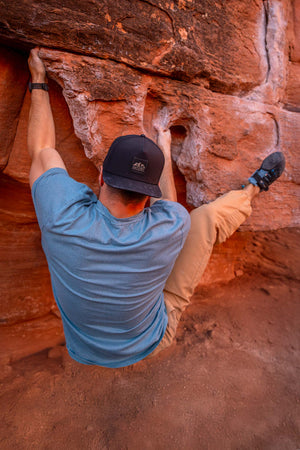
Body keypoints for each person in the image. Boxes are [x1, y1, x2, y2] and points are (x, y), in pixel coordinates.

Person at [27, 48, 285, 368]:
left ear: (101, 176)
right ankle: (253, 189)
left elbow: (41, 149)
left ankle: (252, 188)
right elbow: (170, 203)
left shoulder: (61, 215)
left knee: (47, 158)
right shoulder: (170, 225)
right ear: (149, 197)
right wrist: (163, 142)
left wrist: (38, 78)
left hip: (83, 348)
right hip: (152, 340)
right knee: (204, 219)